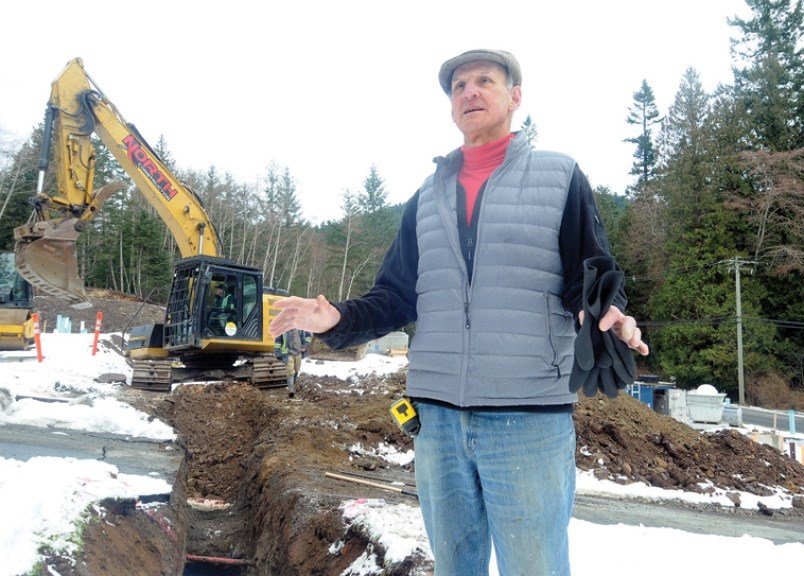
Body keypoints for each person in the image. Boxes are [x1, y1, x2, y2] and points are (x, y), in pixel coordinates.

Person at [269, 49, 649, 575]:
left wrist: (604, 312)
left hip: (527, 417)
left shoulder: (559, 177)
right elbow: (397, 297)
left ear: (515, 97)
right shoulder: (426, 197)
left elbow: (590, 273)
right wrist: (335, 320)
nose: (469, 91)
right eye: (458, 86)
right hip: (439, 421)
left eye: (484, 81)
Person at [274, 328, 311, 397]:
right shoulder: (283, 329)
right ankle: (291, 390)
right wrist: (278, 353)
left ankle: (293, 386)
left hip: (298, 353)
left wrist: (305, 345)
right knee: (290, 371)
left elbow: (308, 336)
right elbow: (278, 342)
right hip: (287, 354)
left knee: (296, 371)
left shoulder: (301, 328)